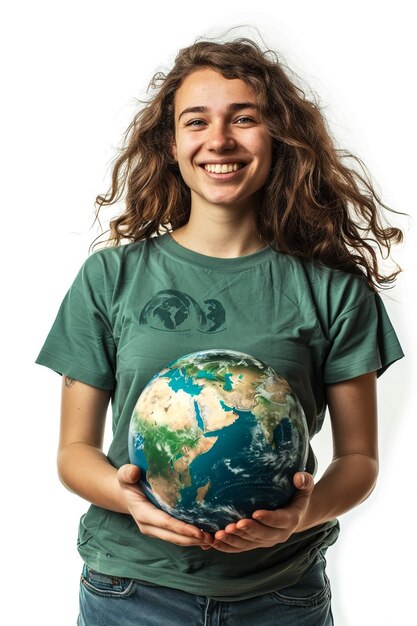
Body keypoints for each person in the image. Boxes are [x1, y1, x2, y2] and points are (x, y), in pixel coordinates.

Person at [36, 35, 404, 626]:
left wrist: (300, 517)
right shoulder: (111, 276)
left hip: (281, 595)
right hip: (132, 593)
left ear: (278, 137)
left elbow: (359, 459)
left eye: (244, 118)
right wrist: (130, 499)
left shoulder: (335, 290)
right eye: (196, 121)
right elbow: (74, 452)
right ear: (172, 144)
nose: (220, 140)